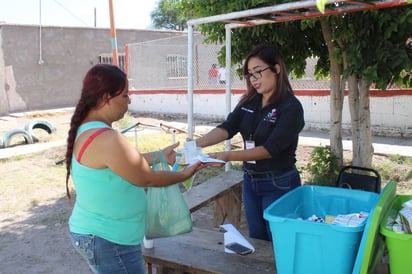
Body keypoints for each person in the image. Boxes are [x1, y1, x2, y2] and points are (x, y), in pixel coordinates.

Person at [64, 64, 205, 274]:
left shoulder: (88, 130)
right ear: (105, 98)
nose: (129, 101)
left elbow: (123, 164)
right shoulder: (106, 138)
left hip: (99, 233)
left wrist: (158, 155)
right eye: (125, 95)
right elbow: (145, 178)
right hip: (108, 239)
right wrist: (183, 175)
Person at [196, 44, 305, 241]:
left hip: (279, 183)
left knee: (279, 241)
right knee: (257, 238)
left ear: (276, 69)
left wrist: (226, 156)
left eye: (258, 72)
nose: (254, 79)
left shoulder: (291, 107)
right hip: (251, 181)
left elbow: (270, 149)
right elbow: (227, 127)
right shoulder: (249, 102)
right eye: (249, 75)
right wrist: (197, 144)